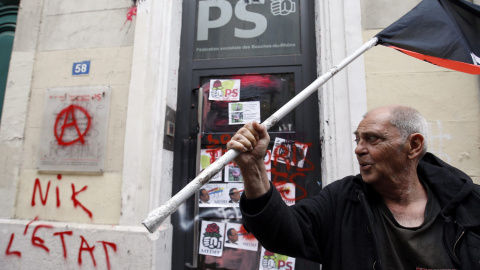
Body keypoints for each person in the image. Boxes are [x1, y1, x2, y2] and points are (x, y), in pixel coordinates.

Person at [226, 105, 480, 269]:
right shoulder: (342, 200)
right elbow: (281, 232)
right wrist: (252, 167)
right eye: (358, 139)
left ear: (413, 146)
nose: (359, 149)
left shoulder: (470, 204)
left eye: (373, 139)